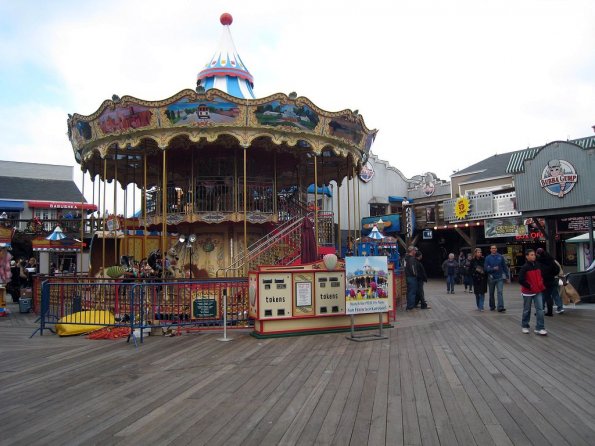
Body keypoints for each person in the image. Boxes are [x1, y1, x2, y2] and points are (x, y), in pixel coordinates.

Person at [519, 249, 547, 335]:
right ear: (527, 256)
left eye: (534, 254)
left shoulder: (538, 265)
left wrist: (540, 284)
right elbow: (521, 280)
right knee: (527, 309)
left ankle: (540, 327)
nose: (533, 256)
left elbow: (541, 276)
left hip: (538, 291)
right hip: (528, 292)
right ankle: (525, 326)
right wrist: (530, 286)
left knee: (540, 309)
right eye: (531, 255)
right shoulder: (524, 267)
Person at [536, 248, 563, 315]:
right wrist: (554, 275)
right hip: (554, 279)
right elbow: (558, 269)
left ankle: (542, 309)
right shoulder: (552, 260)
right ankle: (560, 308)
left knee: (543, 295)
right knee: (555, 294)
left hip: (544, 281)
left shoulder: (539, 262)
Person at [484, 245, 510, 312]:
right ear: (490, 249)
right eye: (492, 248)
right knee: (491, 293)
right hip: (491, 278)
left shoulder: (500, 257)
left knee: (500, 292)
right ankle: (492, 306)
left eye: (495, 248)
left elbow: (504, 267)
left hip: (499, 278)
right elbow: (486, 269)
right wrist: (493, 269)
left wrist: (507, 276)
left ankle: (500, 307)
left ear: (496, 249)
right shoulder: (487, 258)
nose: (494, 249)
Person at [403, 246, 418, 310]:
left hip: (407, 276)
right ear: (412, 251)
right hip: (412, 277)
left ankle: (408, 305)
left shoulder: (405, 258)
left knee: (409, 292)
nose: (415, 252)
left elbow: (404, 266)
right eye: (414, 250)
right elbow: (413, 268)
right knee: (412, 292)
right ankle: (410, 306)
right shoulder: (412, 258)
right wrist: (415, 274)